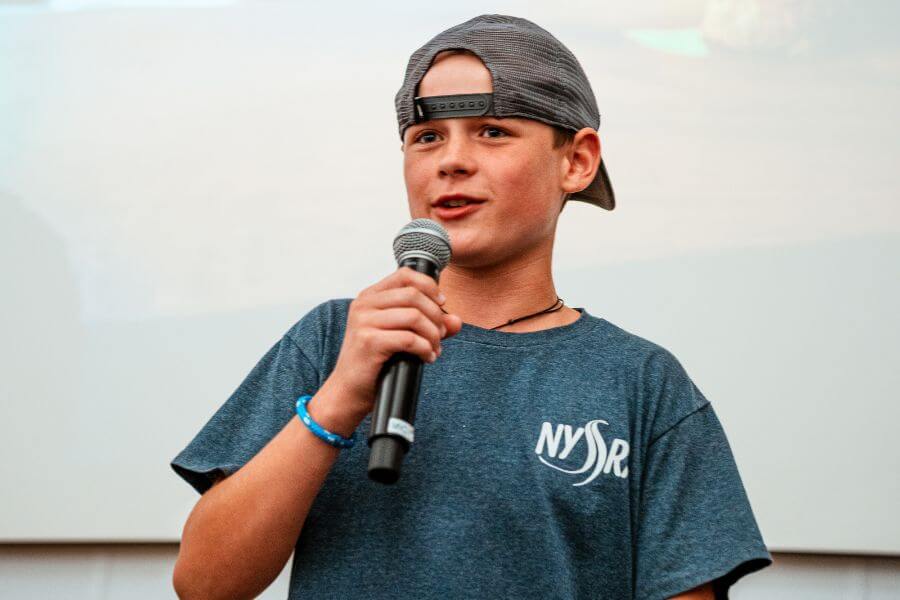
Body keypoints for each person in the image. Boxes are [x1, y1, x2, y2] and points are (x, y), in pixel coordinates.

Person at [170, 14, 772, 600]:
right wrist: (339, 399)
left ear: (576, 161)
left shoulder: (643, 384)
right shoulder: (335, 340)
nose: (451, 160)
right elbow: (203, 585)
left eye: (492, 131)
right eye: (427, 137)